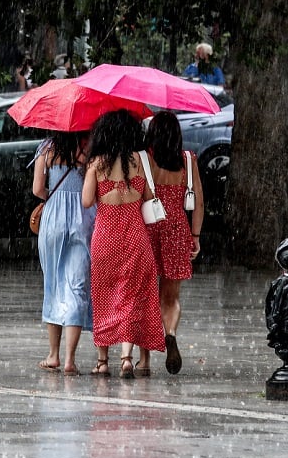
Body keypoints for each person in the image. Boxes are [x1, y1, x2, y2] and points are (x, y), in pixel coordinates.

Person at [82, 110, 165, 378]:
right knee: (130, 296)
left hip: (105, 238)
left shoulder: (97, 163)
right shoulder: (141, 162)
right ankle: (127, 358)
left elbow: (86, 201)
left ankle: (102, 360)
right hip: (135, 238)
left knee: (104, 295)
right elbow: (149, 196)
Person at [136, 112, 204, 376]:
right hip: (177, 230)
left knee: (145, 294)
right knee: (171, 297)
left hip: (149, 228)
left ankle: (144, 360)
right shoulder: (188, 161)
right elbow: (198, 201)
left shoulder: (145, 160)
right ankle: (171, 333)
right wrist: (195, 236)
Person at [33, 131, 96, 376]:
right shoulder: (88, 150)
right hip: (84, 219)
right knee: (77, 287)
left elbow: (38, 188)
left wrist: (55, 197)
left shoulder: (46, 149)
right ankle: (70, 358)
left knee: (53, 284)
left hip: (53, 220)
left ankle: (53, 355)